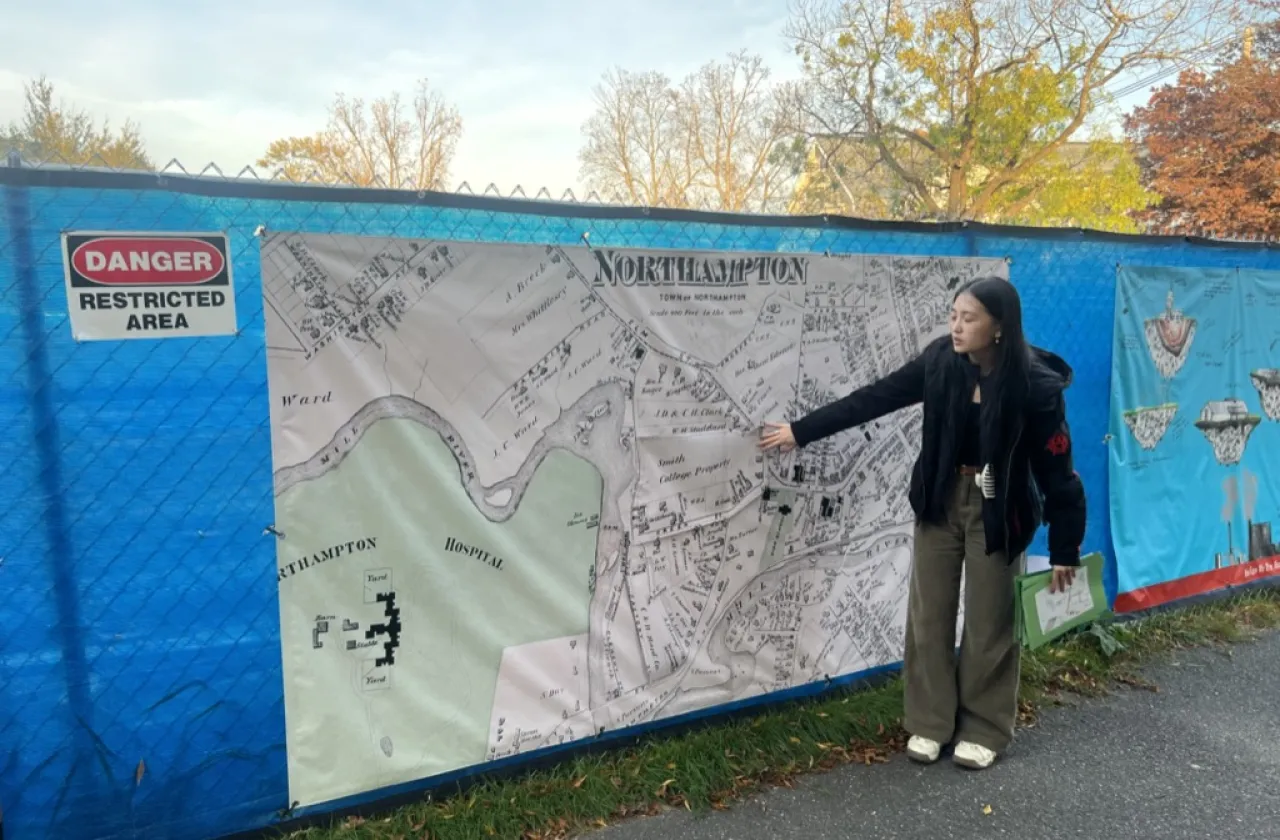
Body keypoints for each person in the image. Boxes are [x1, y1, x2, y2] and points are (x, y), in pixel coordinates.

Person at [758, 275, 1086, 770]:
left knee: (989, 619)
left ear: (999, 326)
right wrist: (800, 432)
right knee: (929, 616)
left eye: (968, 318)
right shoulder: (940, 362)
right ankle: (930, 723)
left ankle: (984, 728)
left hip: (999, 504)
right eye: (953, 315)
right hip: (940, 499)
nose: (955, 327)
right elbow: (875, 397)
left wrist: (1065, 548)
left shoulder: (1035, 385)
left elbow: (1059, 469)